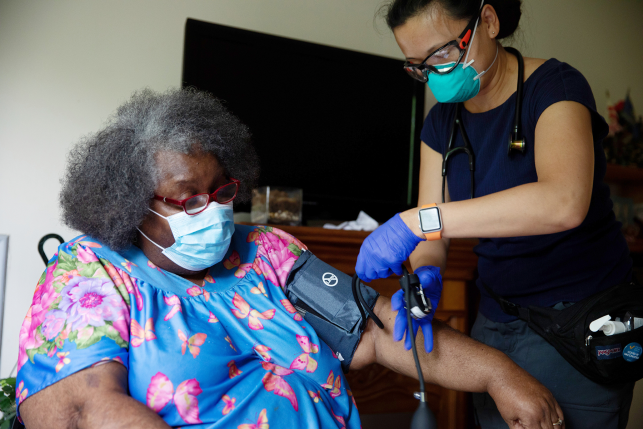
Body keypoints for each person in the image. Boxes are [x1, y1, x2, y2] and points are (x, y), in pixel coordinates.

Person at [17, 88, 562, 429]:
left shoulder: (265, 251)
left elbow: (373, 329)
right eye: (188, 199)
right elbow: (79, 412)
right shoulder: (90, 273)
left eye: (223, 191)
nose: (212, 212)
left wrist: (497, 372)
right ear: (131, 204)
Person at [356, 0, 635, 428]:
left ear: (487, 21)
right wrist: (427, 278)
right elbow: (435, 235)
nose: (433, 75)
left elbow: (564, 202)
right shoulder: (440, 123)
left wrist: (415, 222)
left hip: (579, 322)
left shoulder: (556, 87)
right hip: (497, 320)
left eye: (442, 54)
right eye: (418, 65)